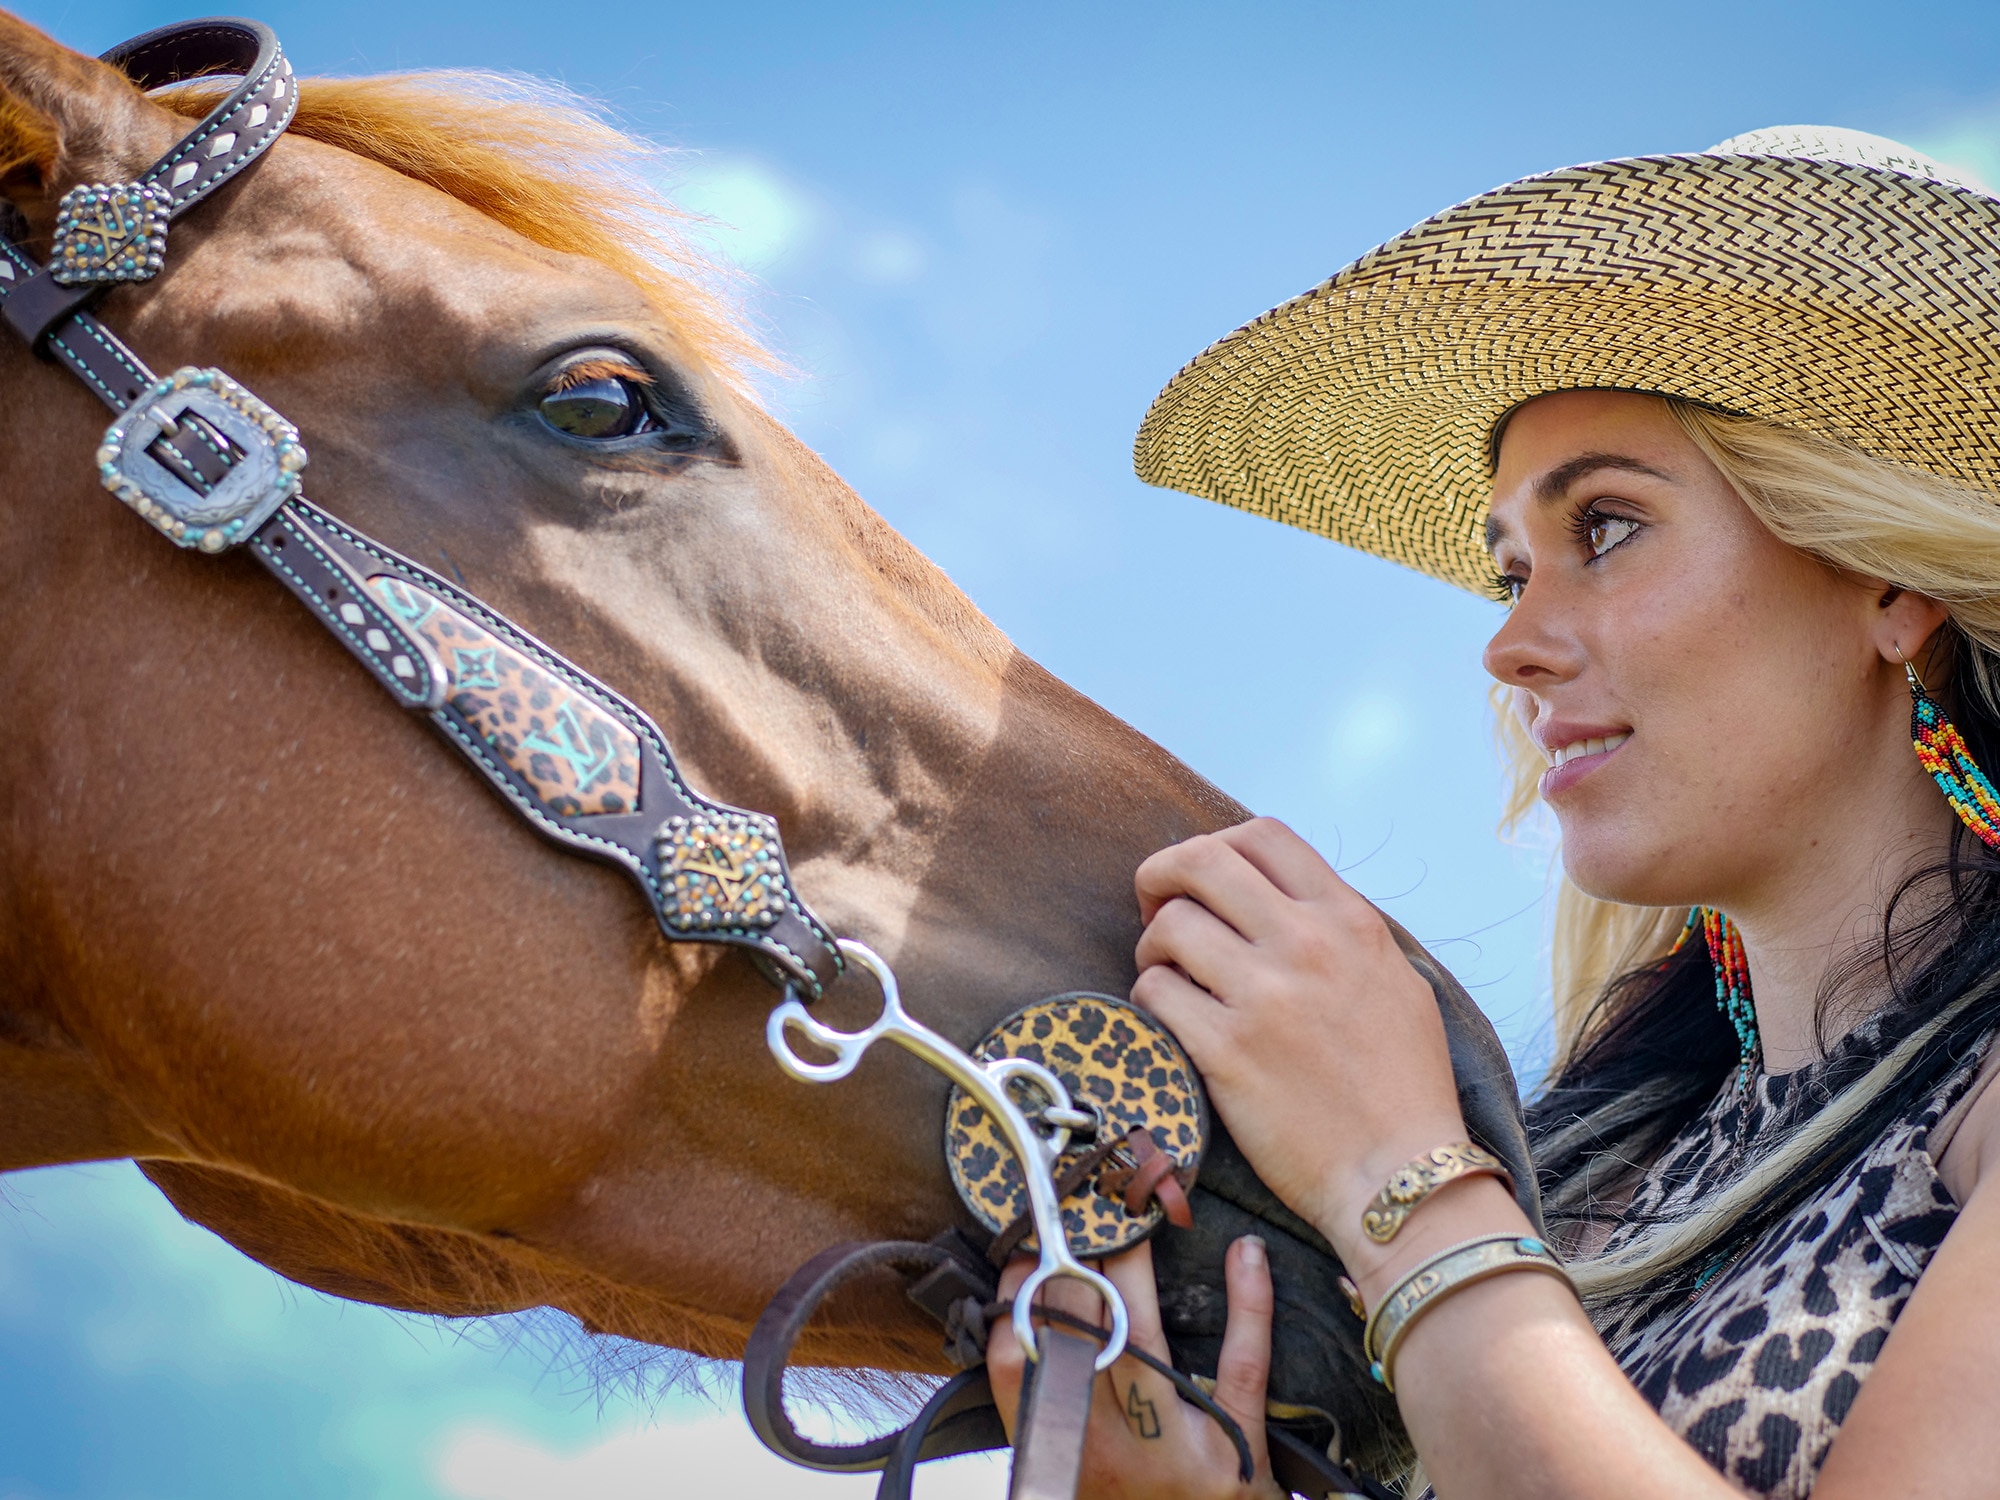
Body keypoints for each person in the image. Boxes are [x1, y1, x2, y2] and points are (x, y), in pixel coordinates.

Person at [986, 127, 2000, 1498]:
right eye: (1510, 566)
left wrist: (1397, 1176)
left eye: (1610, 530)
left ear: (1889, 580)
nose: (1509, 644)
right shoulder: (1595, 1163)